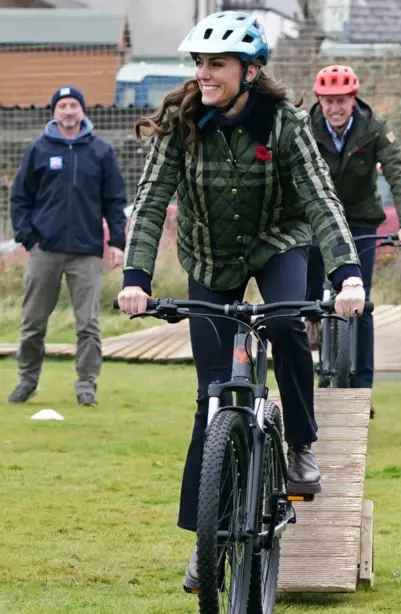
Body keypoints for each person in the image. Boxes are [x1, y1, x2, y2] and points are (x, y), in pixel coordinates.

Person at [117, 11, 365, 591]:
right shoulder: (184, 121)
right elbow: (151, 202)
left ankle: (301, 442)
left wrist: (348, 273)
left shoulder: (282, 122)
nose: (205, 73)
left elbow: (320, 199)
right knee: (211, 398)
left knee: (284, 326)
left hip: (278, 242)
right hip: (210, 257)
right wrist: (136, 276)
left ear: (250, 71)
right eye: (199, 64)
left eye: (217, 64)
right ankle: (208, 537)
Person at [306, 65, 401, 411]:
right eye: (328, 101)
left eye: (341, 101)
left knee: (362, 301)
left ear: (353, 100)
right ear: (320, 102)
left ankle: (362, 388)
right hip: (315, 217)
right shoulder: (305, 128)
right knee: (307, 294)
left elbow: (398, 171)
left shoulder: (373, 128)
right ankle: (311, 323)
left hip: (359, 220)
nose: (335, 108)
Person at [8, 85, 127, 407]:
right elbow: (20, 199)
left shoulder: (100, 151)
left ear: (82, 110)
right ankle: (26, 381)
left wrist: (116, 241)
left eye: (74, 105)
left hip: (86, 252)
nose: (69, 111)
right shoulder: (39, 150)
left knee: (88, 324)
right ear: (54, 112)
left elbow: (115, 201)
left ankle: (86, 384)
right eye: (63, 106)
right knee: (33, 323)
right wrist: (27, 237)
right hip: (44, 250)